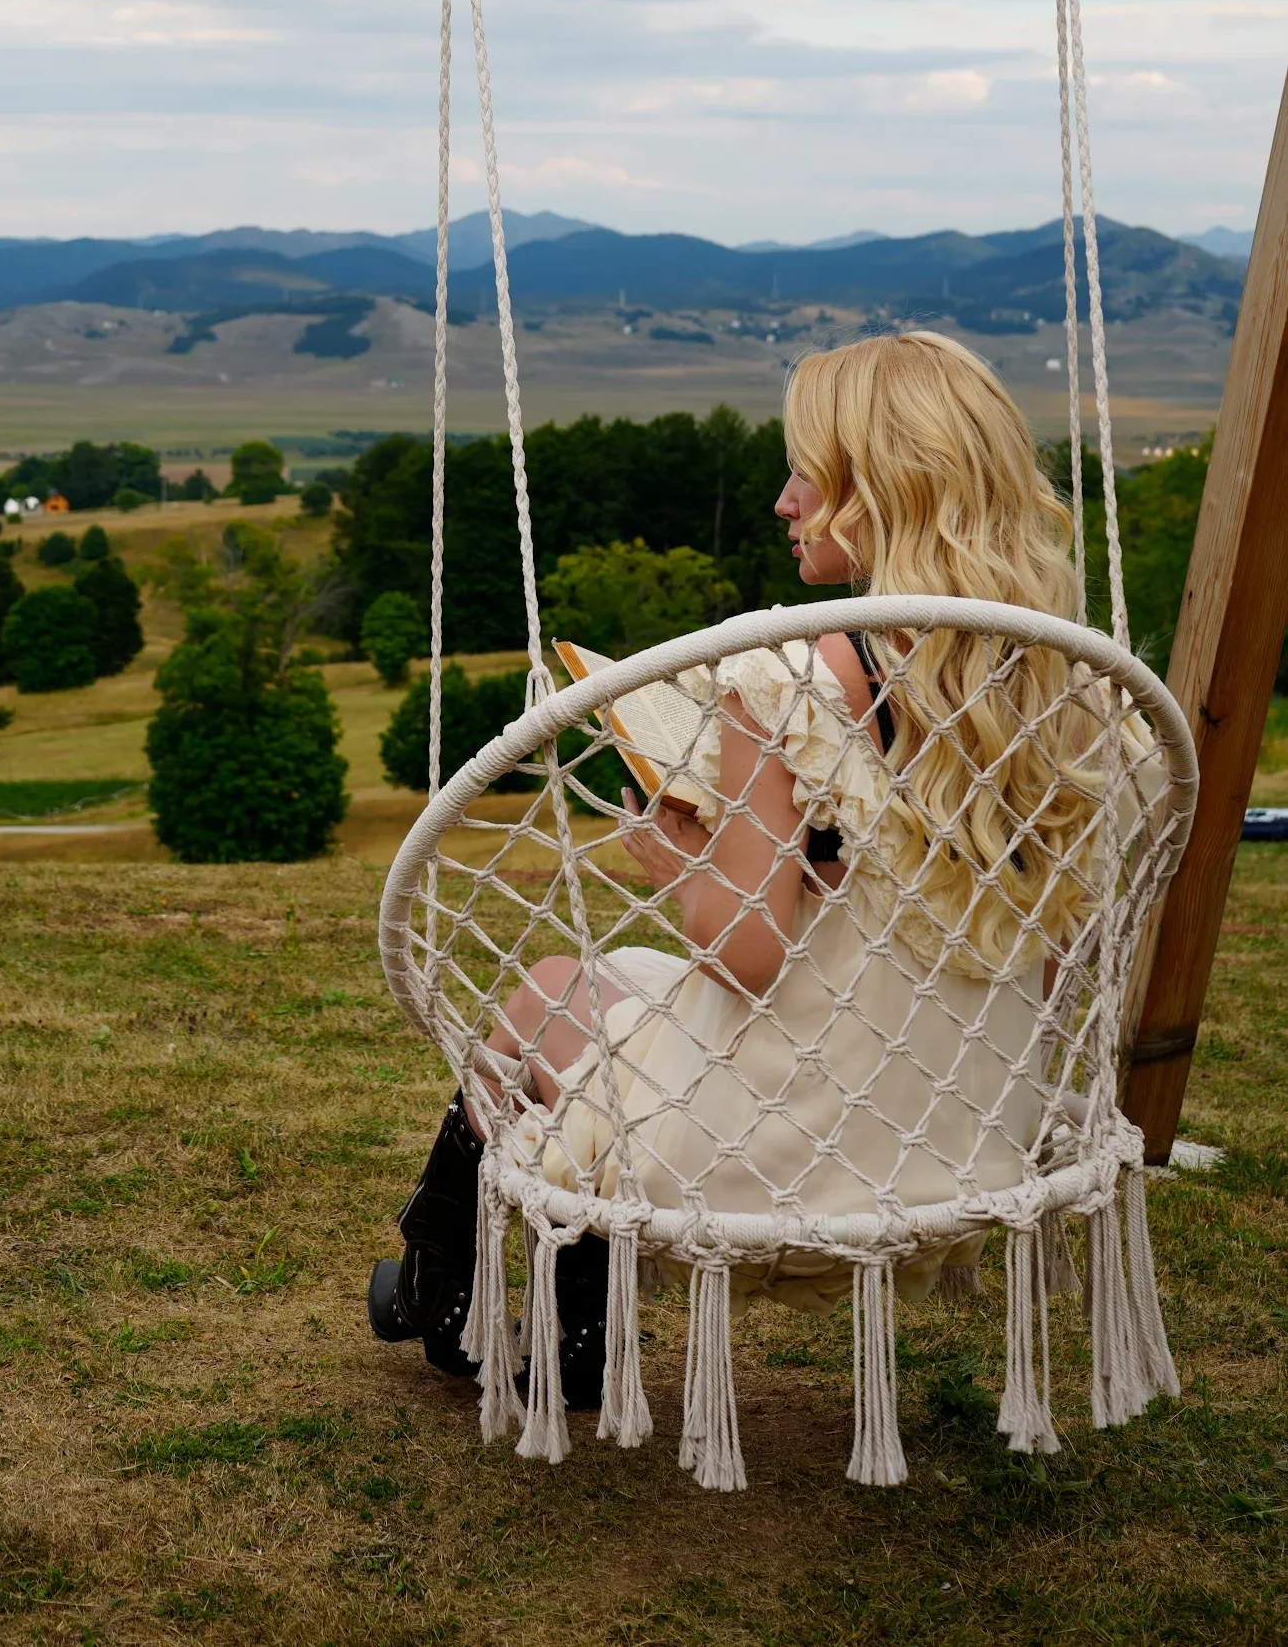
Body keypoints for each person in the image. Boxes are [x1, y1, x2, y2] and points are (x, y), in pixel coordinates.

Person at [369, 330, 1146, 1405]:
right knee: (625, 986)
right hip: (967, 1129)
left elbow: (742, 952)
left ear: (881, 487)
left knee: (550, 992)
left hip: (776, 1150)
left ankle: (454, 1293)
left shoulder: (795, 676)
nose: (783, 500)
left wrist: (679, 857)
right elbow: (1035, 958)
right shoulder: (1067, 688)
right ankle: (474, 1296)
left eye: (804, 473)